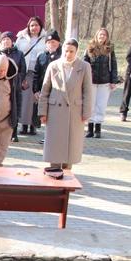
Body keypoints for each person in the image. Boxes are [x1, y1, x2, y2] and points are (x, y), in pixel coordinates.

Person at [38, 39, 94, 170]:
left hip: (74, 111)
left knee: (71, 146)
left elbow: (87, 91)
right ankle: (54, 171)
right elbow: (45, 89)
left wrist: (86, 113)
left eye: (71, 51)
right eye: (66, 51)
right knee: (55, 145)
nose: (68, 54)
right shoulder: (53, 65)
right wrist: (42, 112)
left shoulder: (84, 66)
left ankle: (68, 172)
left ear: (76, 52)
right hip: (55, 111)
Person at [83, 28, 118, 140]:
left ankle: (98, 128)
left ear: (106, 37)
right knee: (91, 104)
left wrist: (113, 81)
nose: (102, 37)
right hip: (91, 81)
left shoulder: (109, 50)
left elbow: (113, 65)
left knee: (101, 105)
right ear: (96, 35)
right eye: (100, 35)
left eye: (104, 35)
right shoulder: (89, 48)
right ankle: (90, 128)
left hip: (104, 82)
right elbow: (84, 64)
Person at [14, 16, 46, 135]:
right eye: (32, 25)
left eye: (36, 25)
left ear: (40, 26)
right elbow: (16, 53)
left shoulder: (45, 38)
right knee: (25, 100)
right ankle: (24, 124)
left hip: (38, 73)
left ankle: (34, 124)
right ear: (28, 26)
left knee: (35, 99)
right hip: (25, 73)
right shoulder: (21, 38)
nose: (34, 28)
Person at [33, 30, 62, 142]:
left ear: (58, 43)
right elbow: (36, 74)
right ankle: (48, 137)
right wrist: (35, 90)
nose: (51, 44)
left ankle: (57, 137)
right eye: (49, 42)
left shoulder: (62, 57)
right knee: (45, 114)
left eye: (54, 42)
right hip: (43, 90)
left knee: (56, 115)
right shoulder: (41, 56)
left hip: (57, 91)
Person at [0, 31, 26, 142]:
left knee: (15, 108)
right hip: (1, 86)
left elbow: (23, 70)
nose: (6, 41)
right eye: (3, 40)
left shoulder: (19, 54)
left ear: (12, 41)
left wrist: (16, 79)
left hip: (15, 86)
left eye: (8, 39)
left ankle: (13, 132)